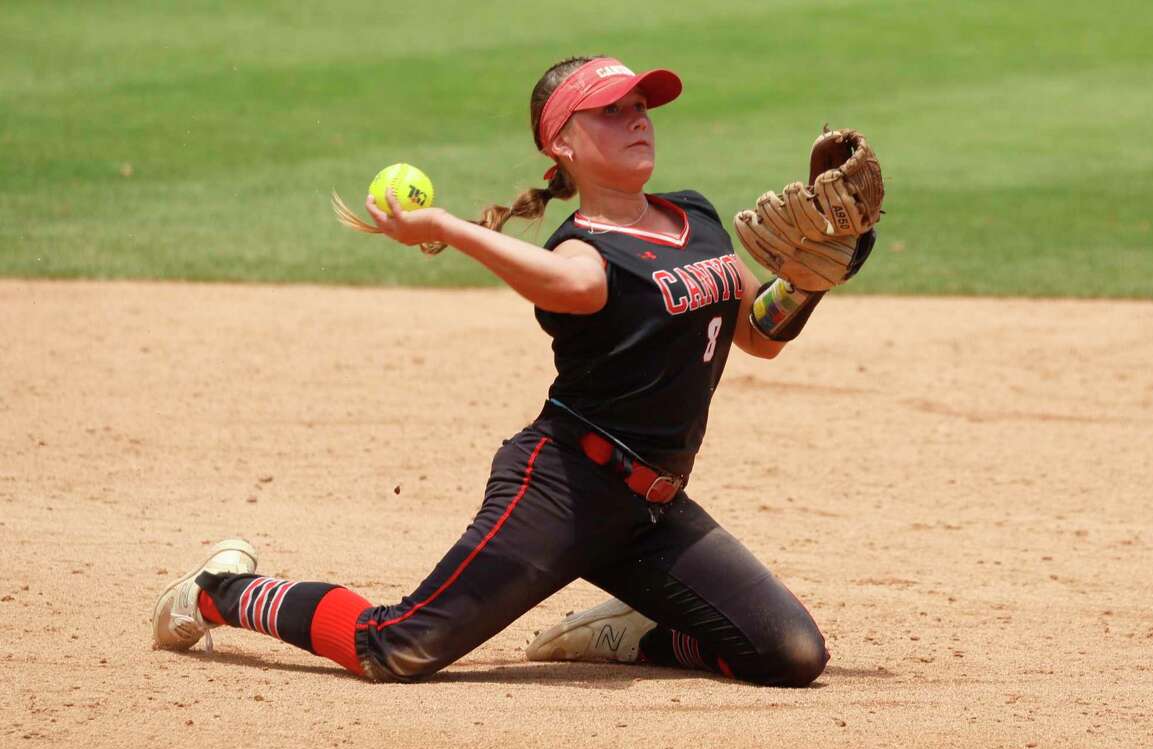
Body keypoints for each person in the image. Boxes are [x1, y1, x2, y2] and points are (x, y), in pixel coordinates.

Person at [152, 55, 836, 687]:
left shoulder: (696, 216)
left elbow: (757, 334)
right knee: (395, 646)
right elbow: (564, 282)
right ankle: (219, 588)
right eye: (610, 110)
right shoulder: (584, 252)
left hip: (653, 509)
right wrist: (447, 228)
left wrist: (806, 283)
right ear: (561, 144)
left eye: (640, 106)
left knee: (791, 654)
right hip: (564, 492)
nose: (636, 119)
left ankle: (635, 633)